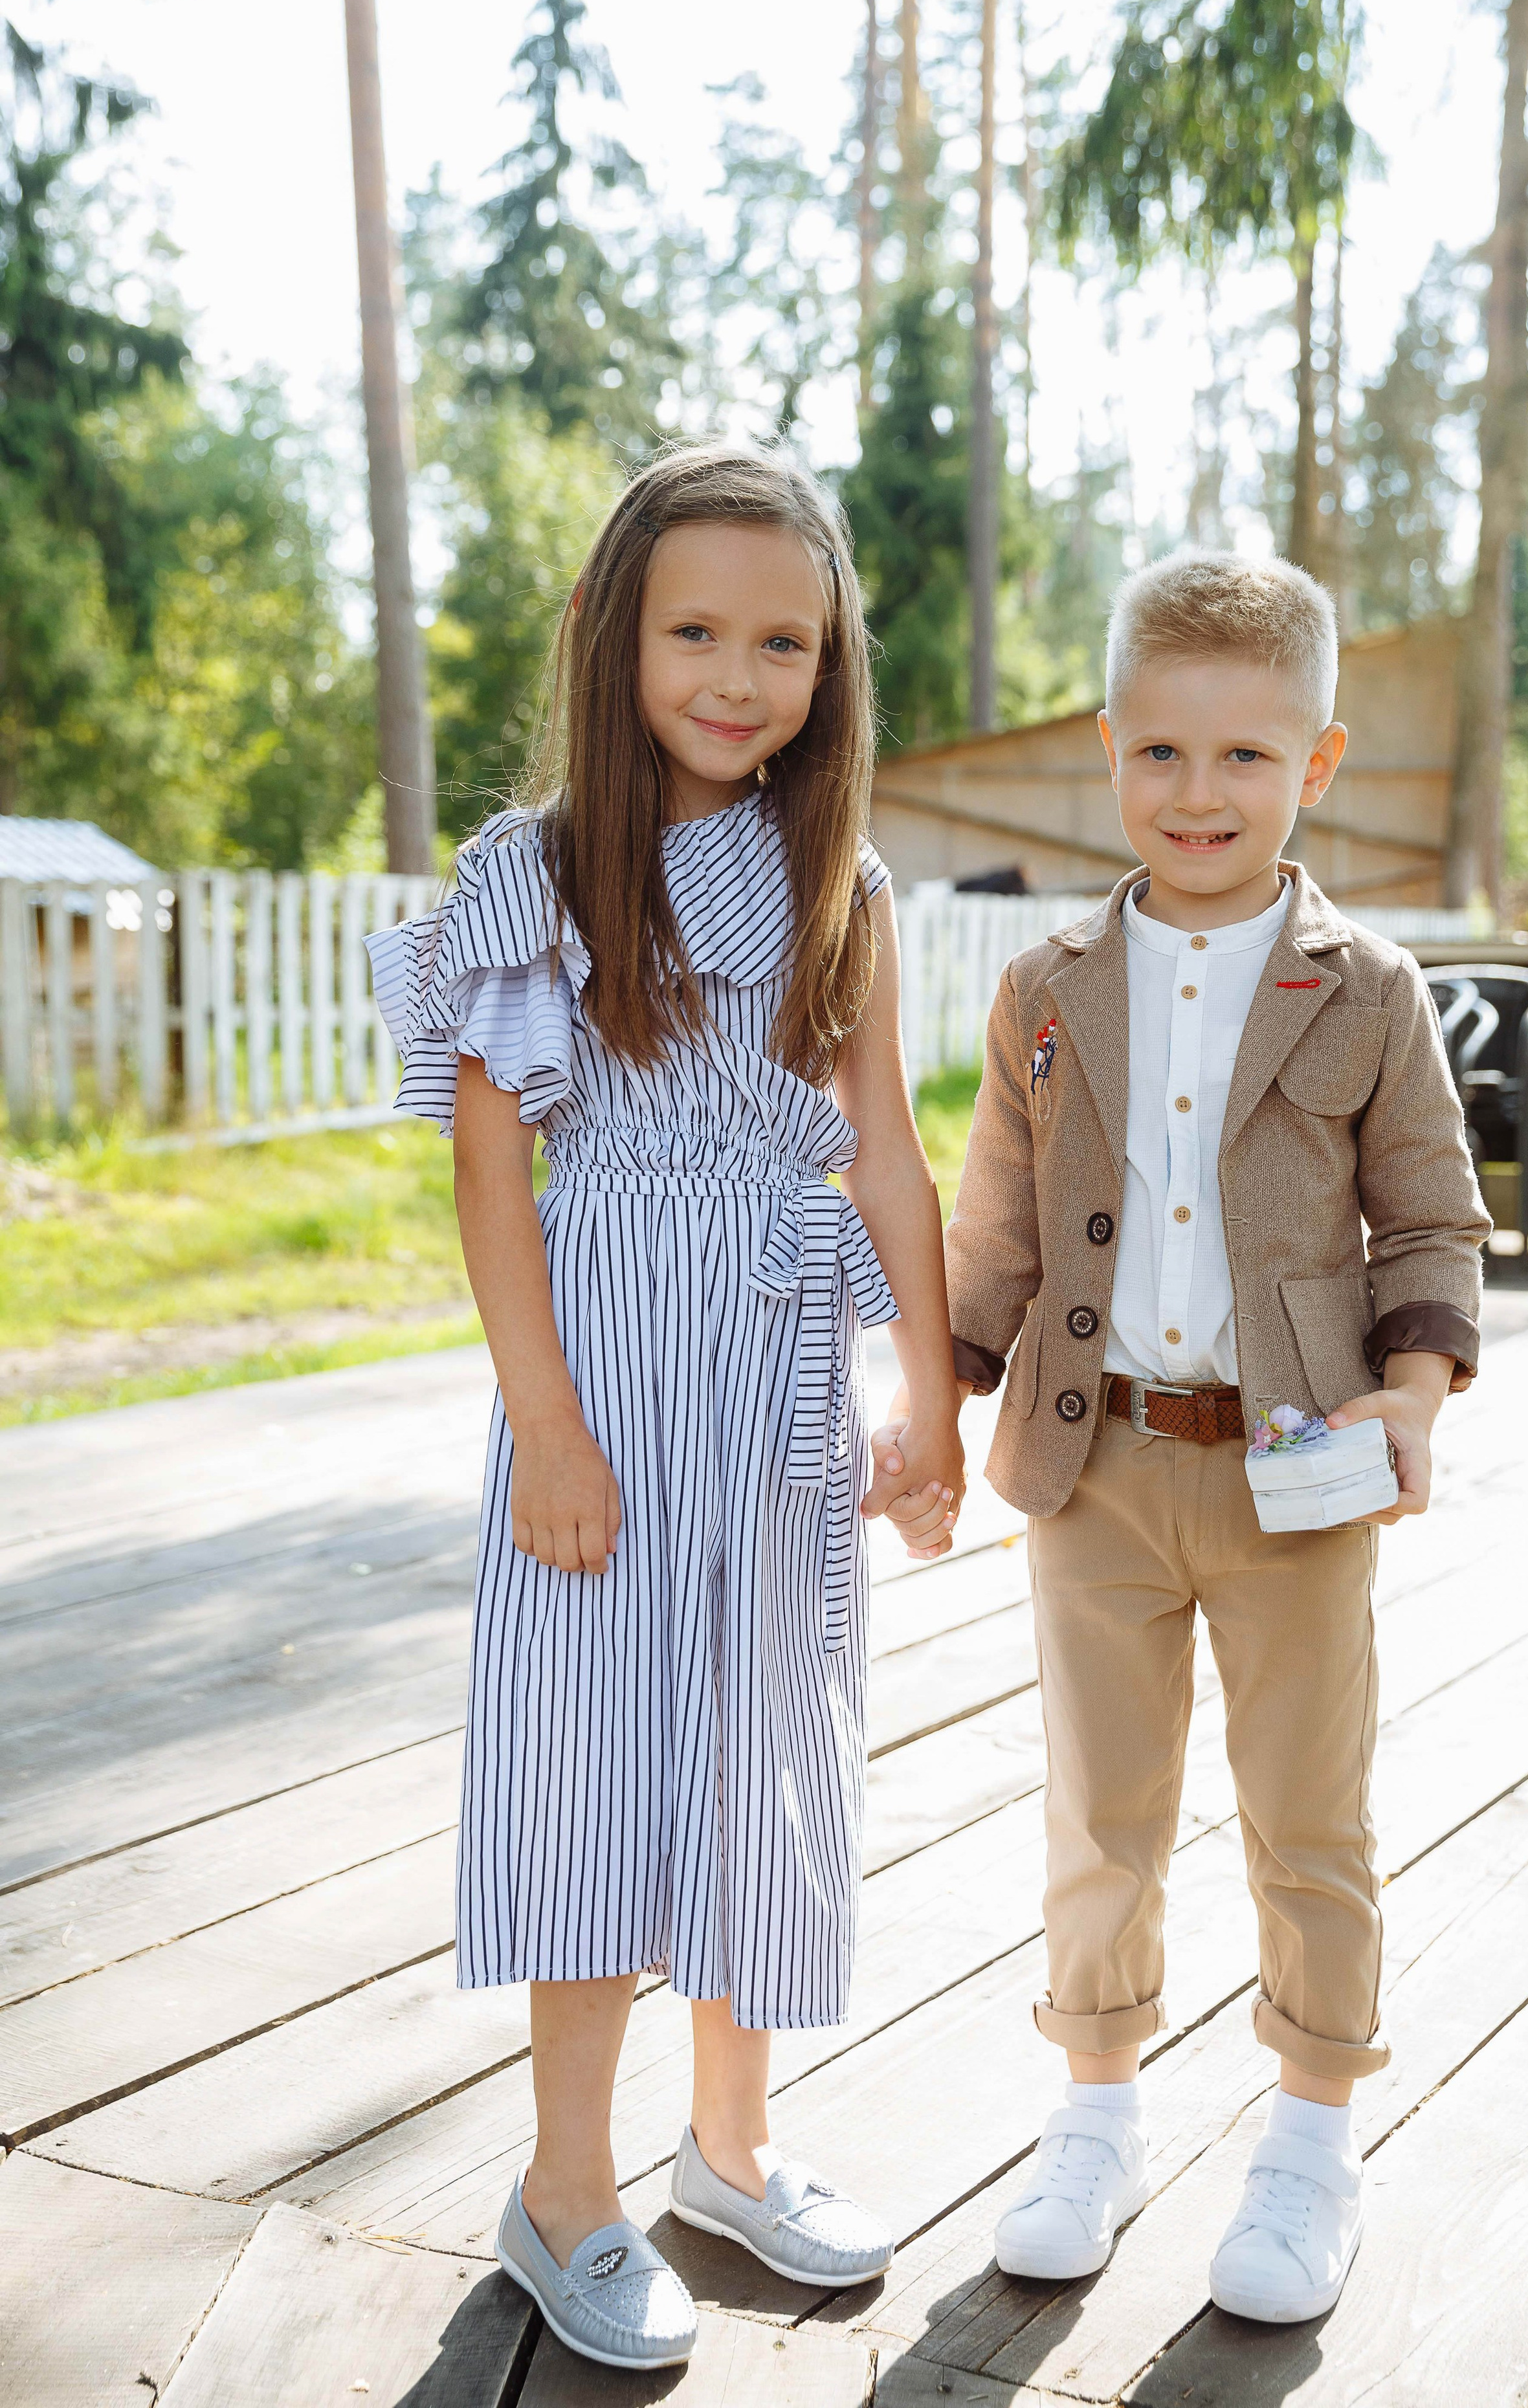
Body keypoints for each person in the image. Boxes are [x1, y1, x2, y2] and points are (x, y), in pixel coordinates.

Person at [367, 443, 964, 2374]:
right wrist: (543, 1423)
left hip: (780, 1369)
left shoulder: (840, 874)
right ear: (607, 635)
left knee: (766, 1747)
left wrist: (927, 1391)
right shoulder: (526, 877)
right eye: (694, 630)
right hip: (607, 1378)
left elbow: (881, 1148)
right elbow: (492, 1179)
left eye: (782, 640)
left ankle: (732, 2145)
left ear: (831, 664)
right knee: (597, 1760)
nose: (737, 673)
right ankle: (565, 2190)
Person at [884, 551, 1489, 2324]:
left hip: (1296, 1475)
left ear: (1318, 762)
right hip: (1092, 1468)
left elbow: (1433, 1225)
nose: (1197, 793)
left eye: (1243, 757)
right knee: (1102, 1809)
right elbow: (995, 1228)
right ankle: (1096, 2112)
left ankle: (1312, 2143)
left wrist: (1418, 1391)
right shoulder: (1049, 986)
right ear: (1109, 750)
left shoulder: (1367, 987)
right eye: (1161, 753)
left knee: (1307, 1813)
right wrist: (937, 1415)